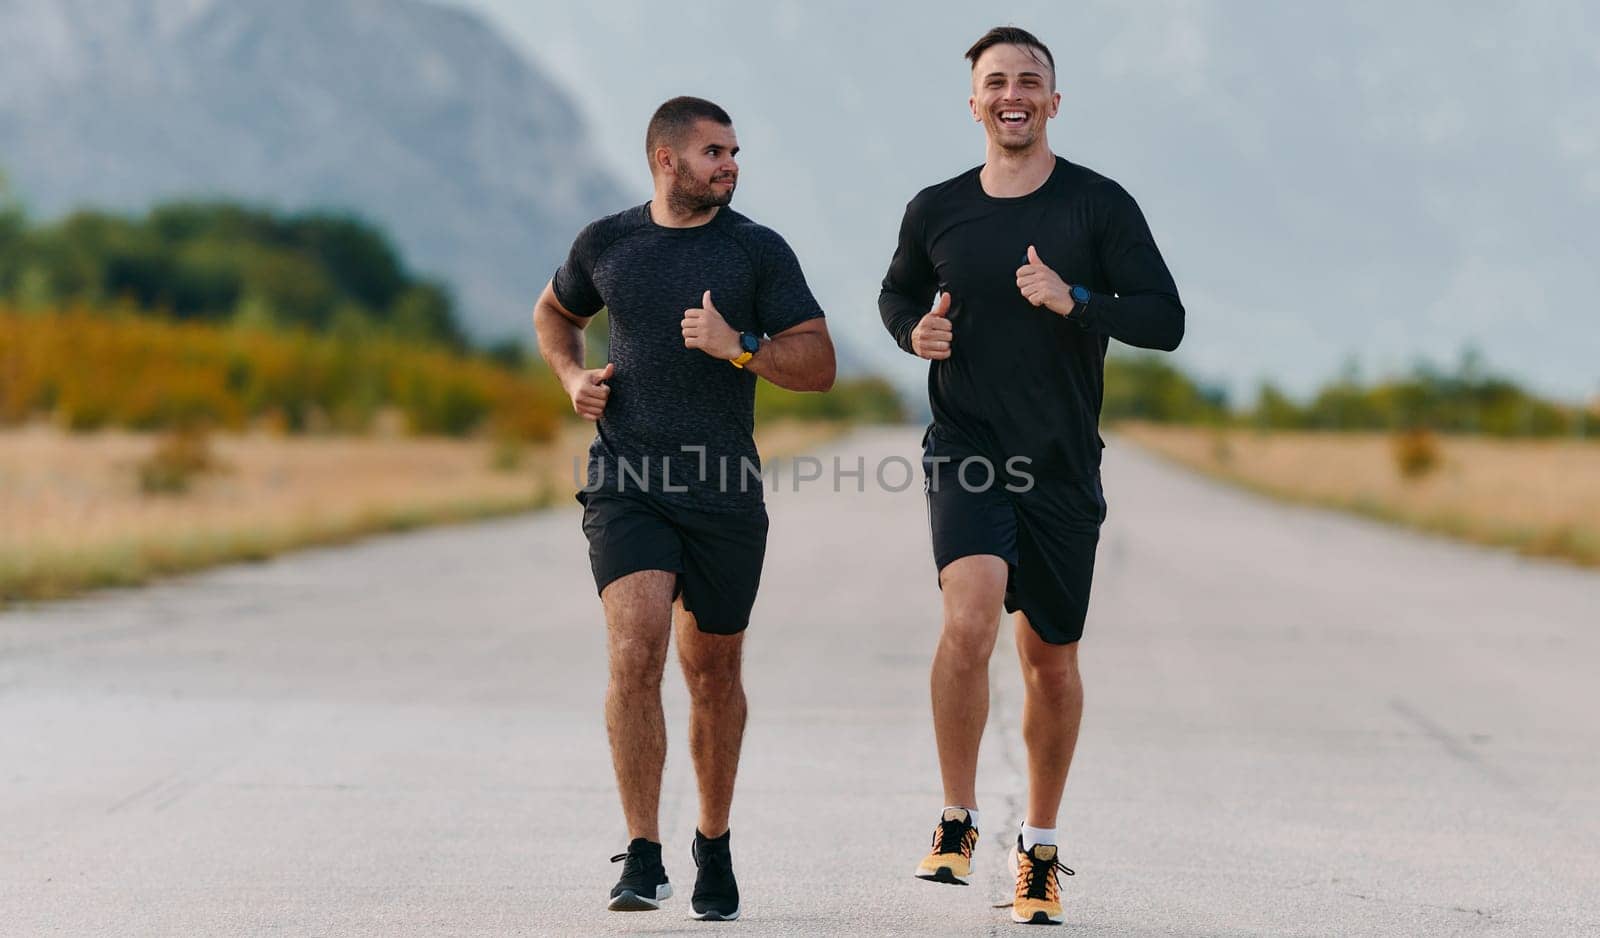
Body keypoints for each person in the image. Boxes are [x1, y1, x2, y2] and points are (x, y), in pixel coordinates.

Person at [878, 26, 1185, 926]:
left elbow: (1165, 320)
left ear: (1054, 101)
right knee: (968, 619)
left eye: (1030, 81)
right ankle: (958, 815)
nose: (1013, 94)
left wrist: (1078, 300)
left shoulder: (1100, 207)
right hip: (968, 448)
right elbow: (897, 294)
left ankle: (1040, 850)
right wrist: (913, 334)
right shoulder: (935, 208)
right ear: (973, 103)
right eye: (996, 82)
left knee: (1050, 661)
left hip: (1059, 466)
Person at [533, 95, 836, 920]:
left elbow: (818, 363)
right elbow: (555, 312)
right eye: (714, 152)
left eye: (735, 152)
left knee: (714, 674)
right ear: (666, 159)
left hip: (723, 491)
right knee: (636, 653)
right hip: (626, 483)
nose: (730, 165)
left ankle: (712, 841)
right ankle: (642, 852)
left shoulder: (756, 251)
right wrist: (572, 378)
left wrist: (738, 346)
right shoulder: (608, 243)